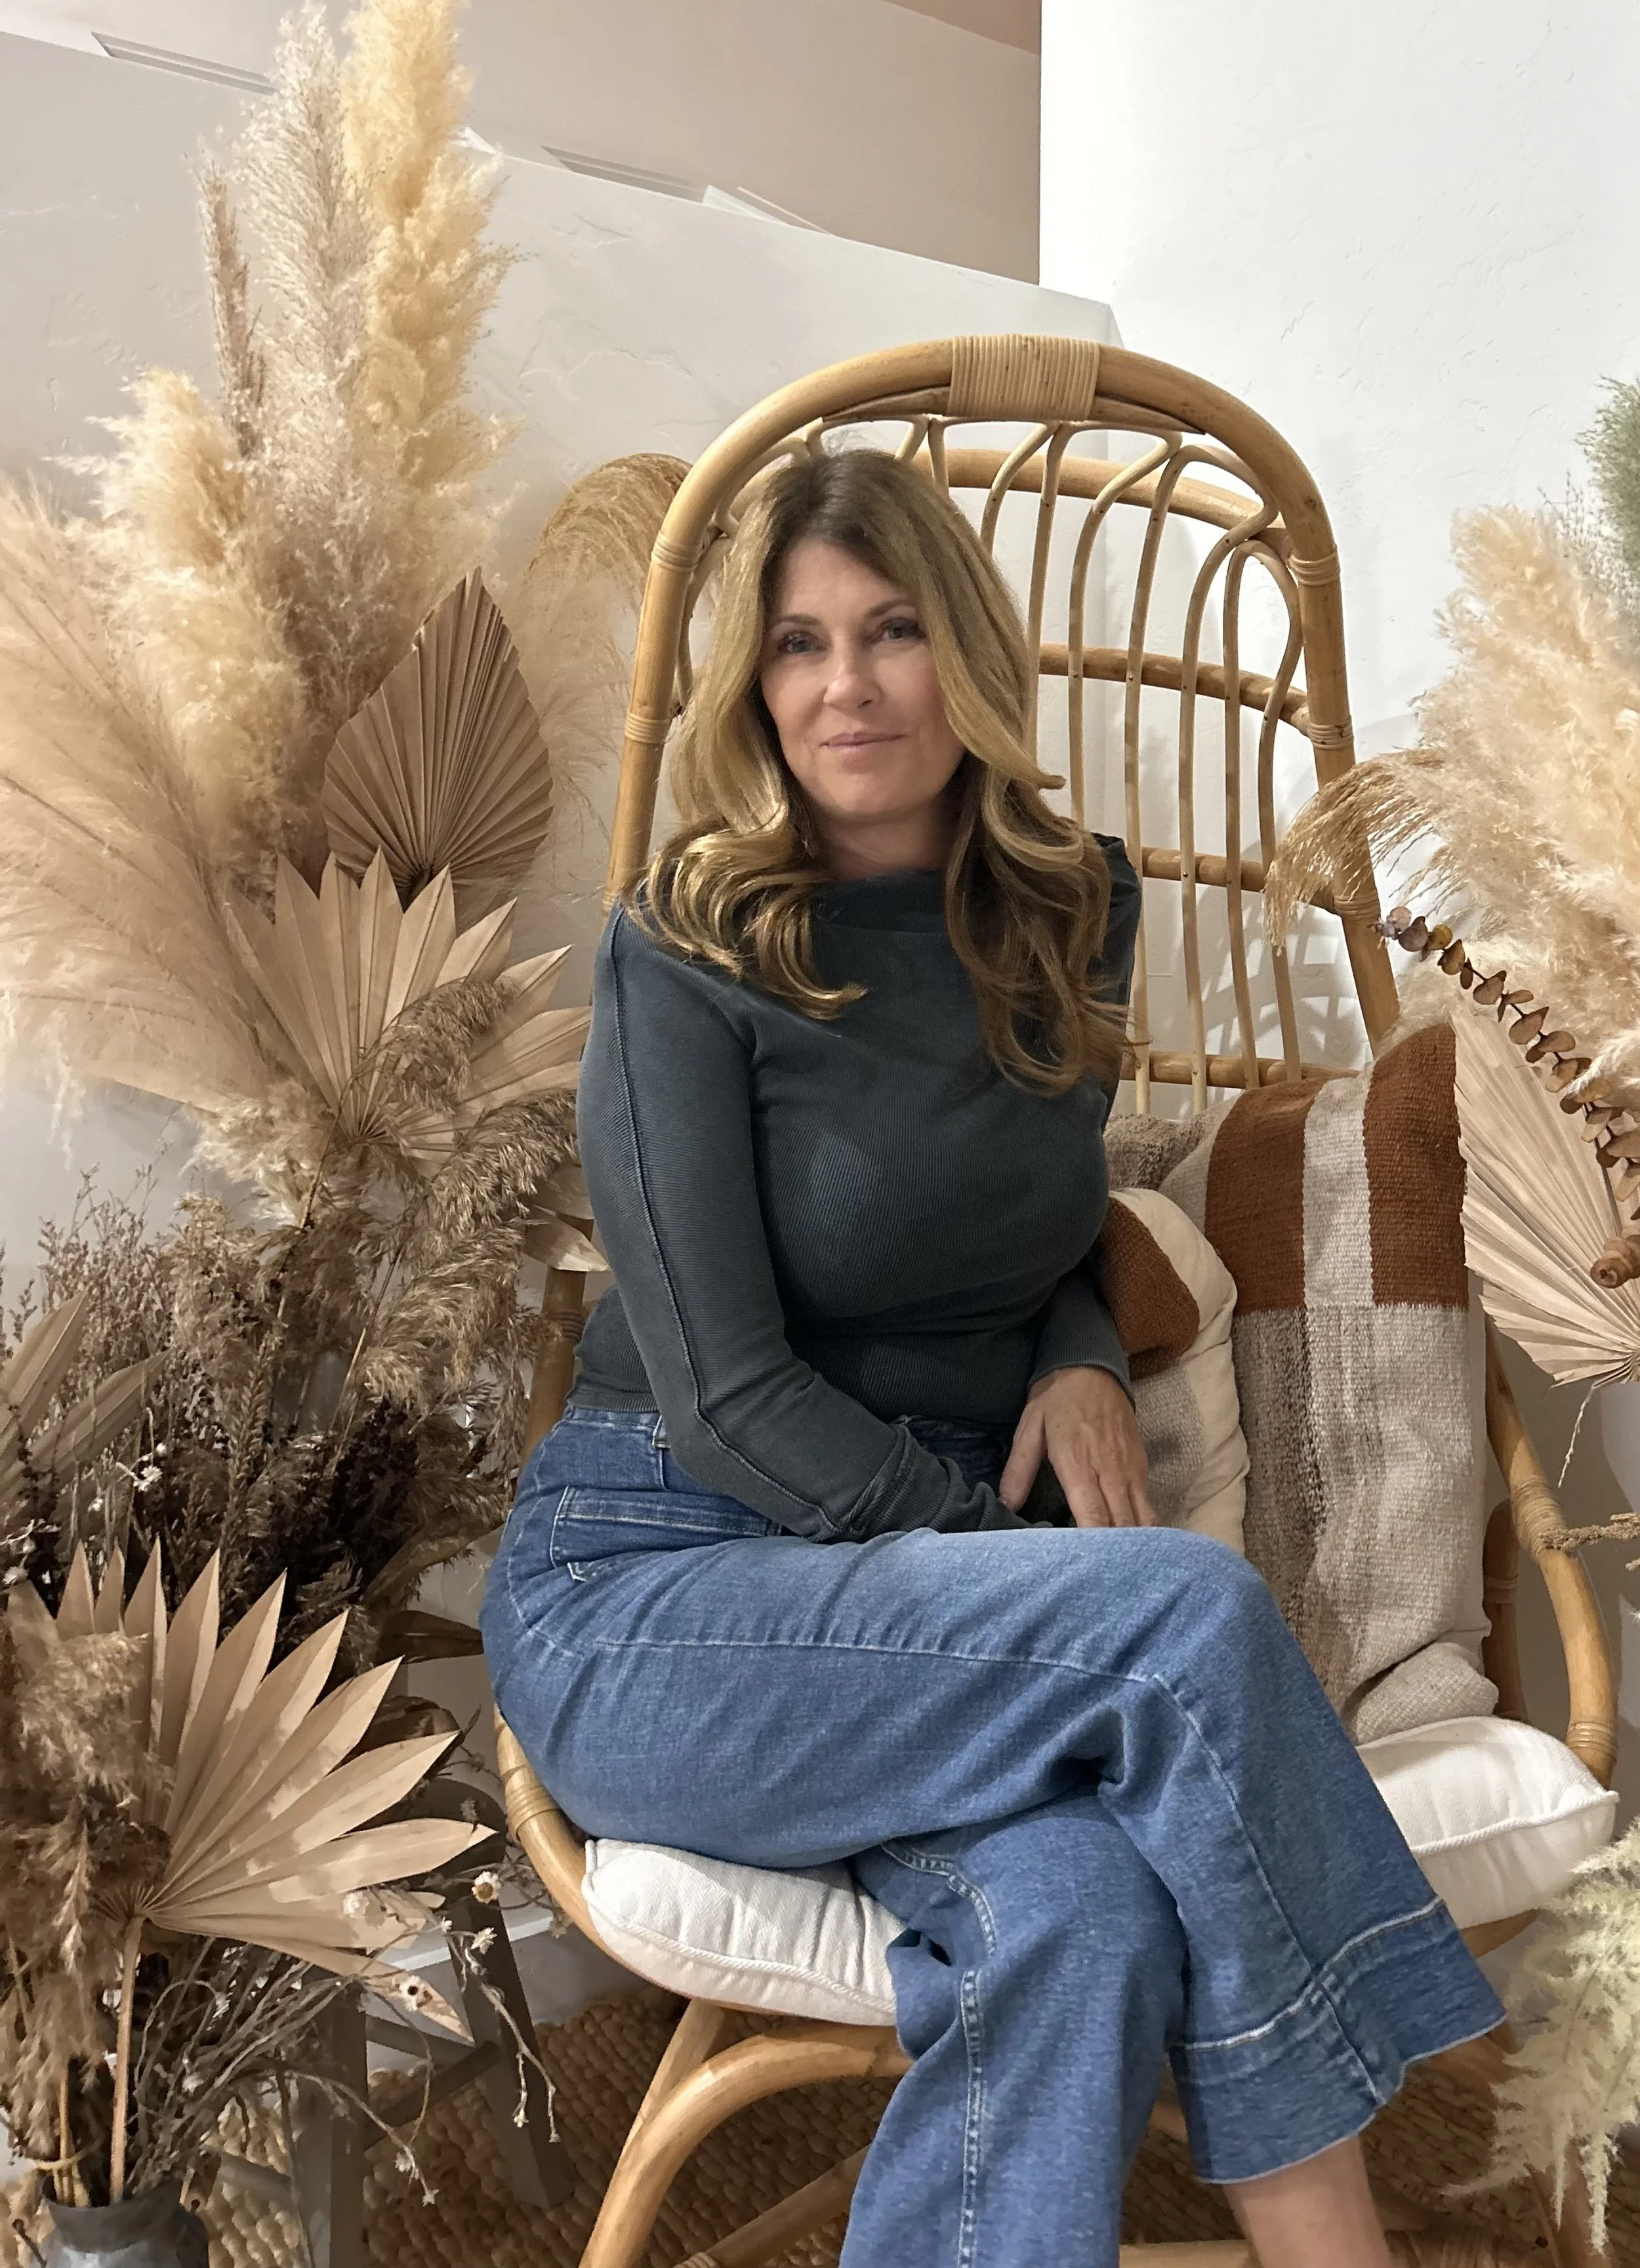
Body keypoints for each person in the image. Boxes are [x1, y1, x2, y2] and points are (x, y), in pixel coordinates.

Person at [482, 447, 1503, 2267]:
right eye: (796, 645)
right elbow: (717, 1393)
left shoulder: (1065, 902)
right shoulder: (686, 947)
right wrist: (1008, 1557)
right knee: (1180, 1619)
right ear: (754, 685)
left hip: (924, 1631)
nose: (844, 685)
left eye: (888, 631)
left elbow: (1023, 1209)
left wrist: (1082, 1344)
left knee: (1089, 1915)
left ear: (962, 655)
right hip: (663, 1588)